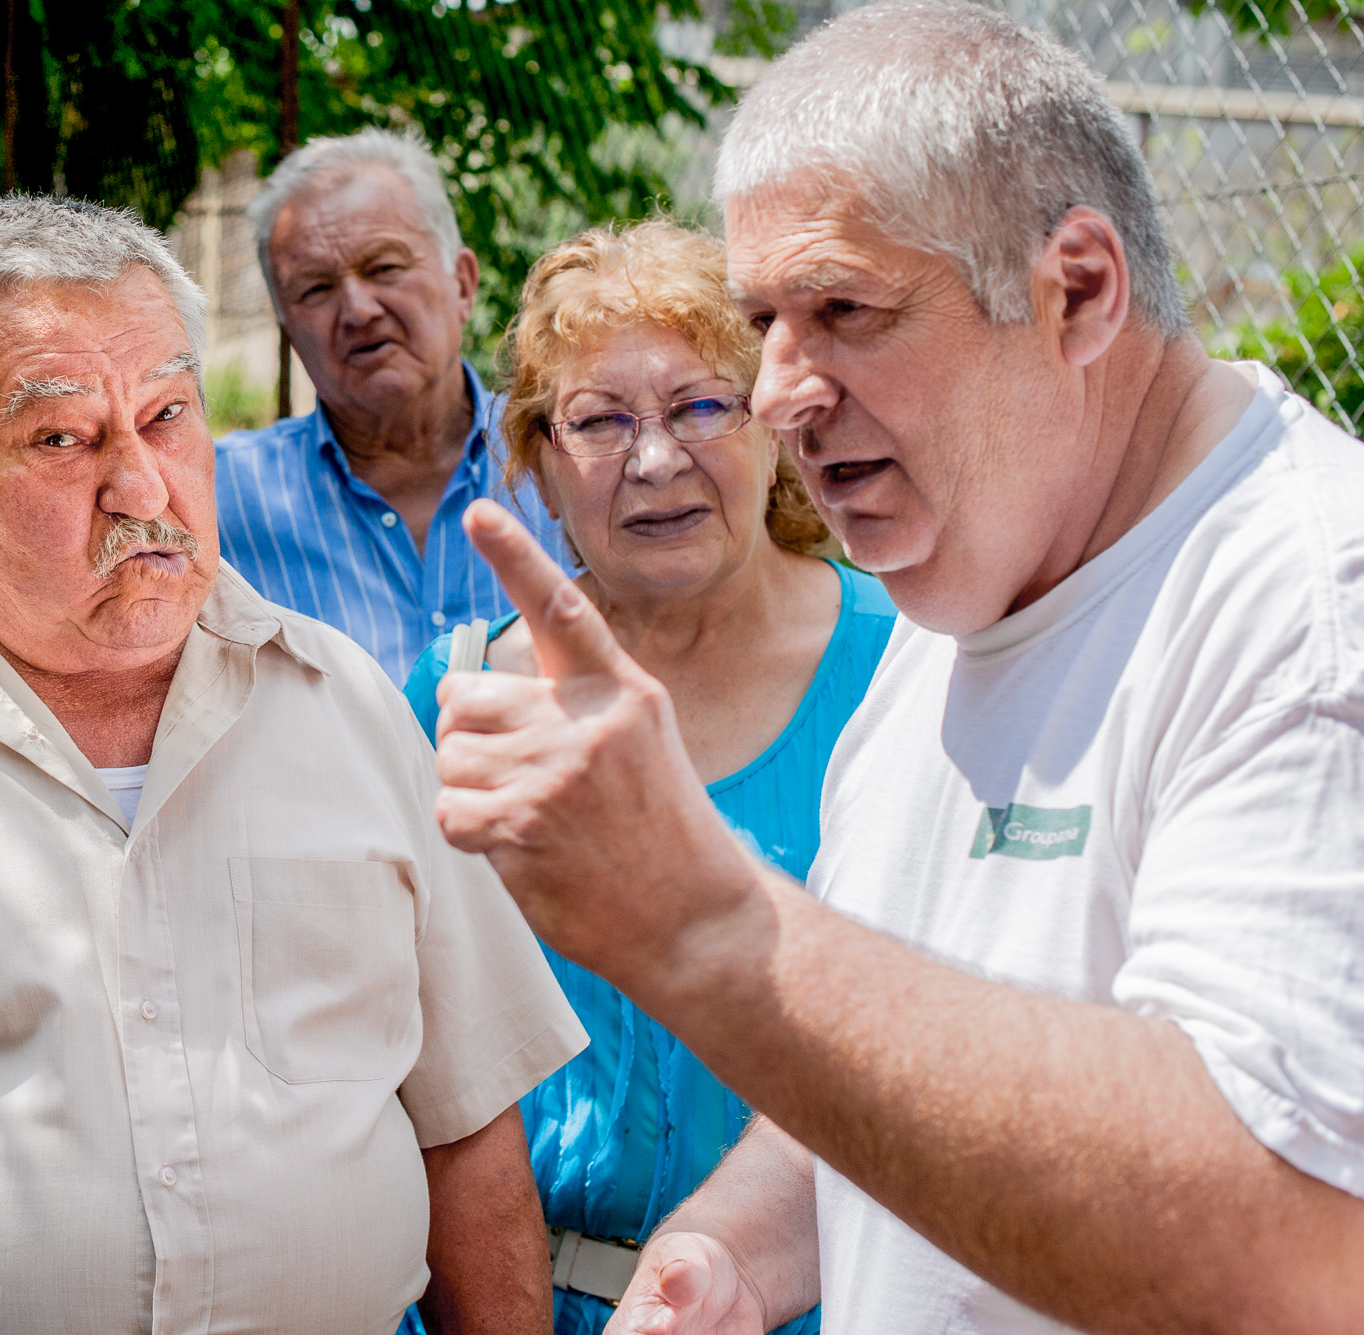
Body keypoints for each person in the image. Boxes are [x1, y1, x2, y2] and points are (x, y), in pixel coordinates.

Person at [426, 3, 1364, 1333]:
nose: (773, 392)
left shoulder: (1306, 607)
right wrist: (730, 1250)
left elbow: (1287, 1245)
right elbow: (907, 1069)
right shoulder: (951, 609)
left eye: (841, 310)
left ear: (1076, 291)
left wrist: (701, 926)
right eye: (762, 322)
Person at [0, 194, 586, 1335]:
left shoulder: (349, 710)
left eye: (167, 415)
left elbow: (468, 1131)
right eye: (63, 438)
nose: (140, 487)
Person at [401, 222, 893, 1335]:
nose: (654, 459)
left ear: (775, 418)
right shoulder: (464, 693)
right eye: (598, 421)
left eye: (698, 405)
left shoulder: (903, 672)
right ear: (532, 457)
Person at [214, 129, 570, 681]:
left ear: (462, 284)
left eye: (383, 268)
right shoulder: (218, 502)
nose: (357, 310)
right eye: (315, 289)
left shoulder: (572, 453)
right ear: (288, 330)